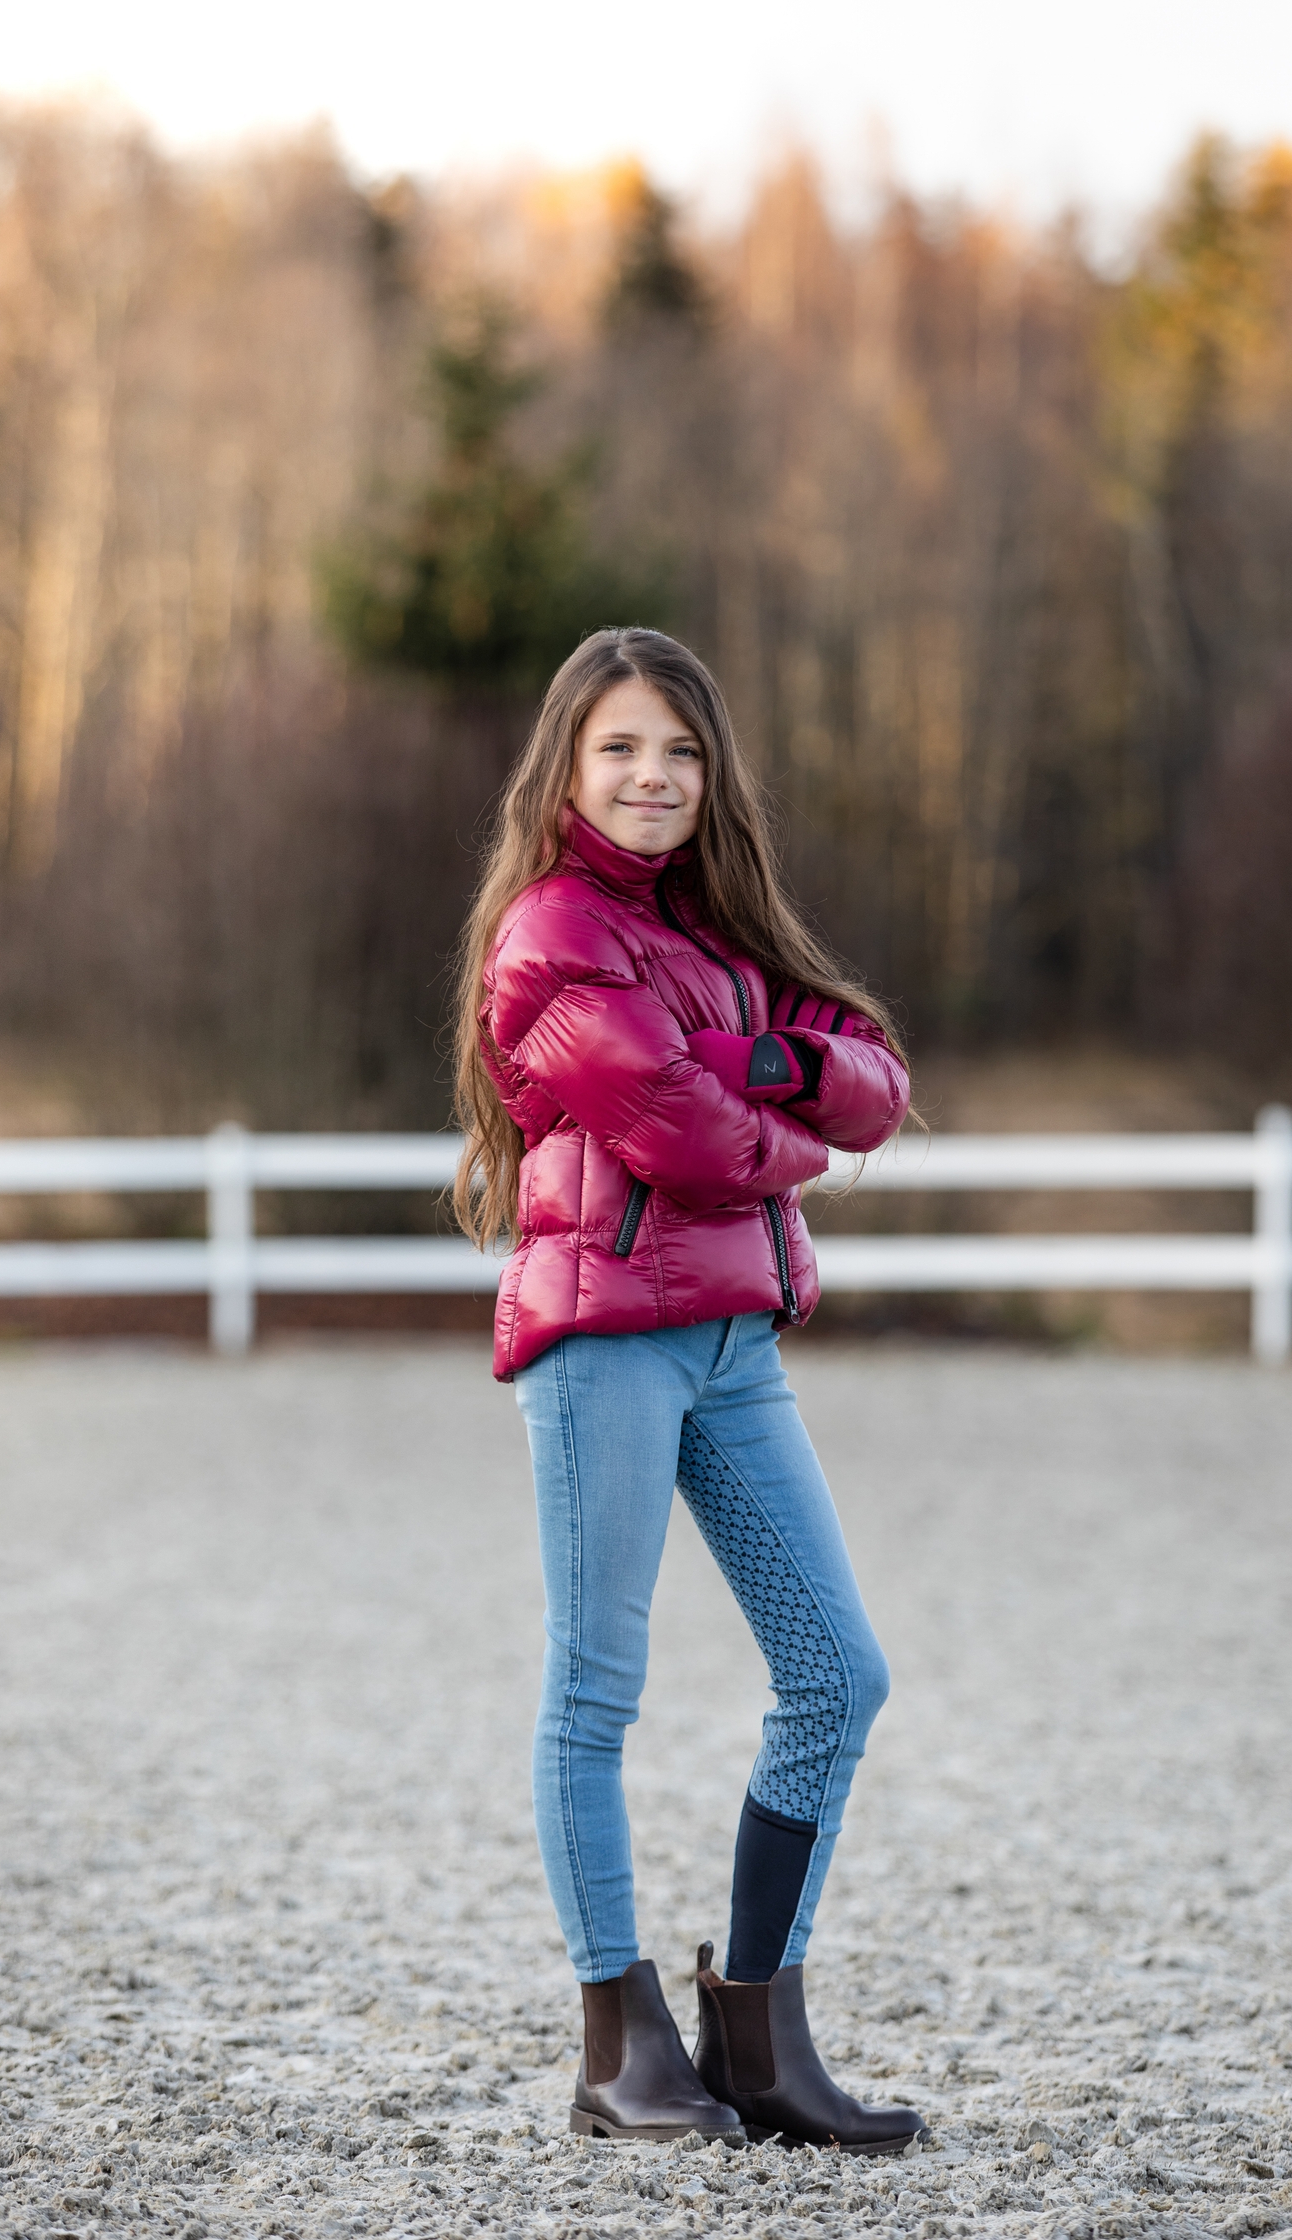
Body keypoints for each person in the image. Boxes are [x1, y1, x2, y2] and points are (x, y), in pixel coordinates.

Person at [451, 628, 925, 2156]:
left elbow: (875, 1083)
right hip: (604, 1338)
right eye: (620, 750)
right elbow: (694, 1143)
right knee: (597, 1693)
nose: (652, 777)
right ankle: (616, 2044)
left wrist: (757, 1059)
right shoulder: (548, 934)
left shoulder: (724, 930)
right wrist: (776, 1096)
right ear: (567, 768)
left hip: (732, 1341)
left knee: (837, 1676)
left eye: (681, 752)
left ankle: (759, 2034)